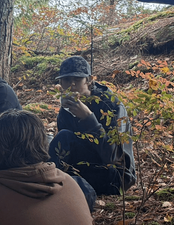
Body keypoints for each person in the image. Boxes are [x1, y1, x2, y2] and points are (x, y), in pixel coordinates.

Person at [49, 55, 136, 196]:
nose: (71, 85)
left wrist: (88, 118)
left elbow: (112, 156)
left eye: (77, 79)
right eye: (66, 80)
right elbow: (64, 153)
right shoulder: (66, 109)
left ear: (89, 80)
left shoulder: (110, 104)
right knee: (59, 138)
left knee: (64, 137)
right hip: (87, 168)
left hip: (117, 177)